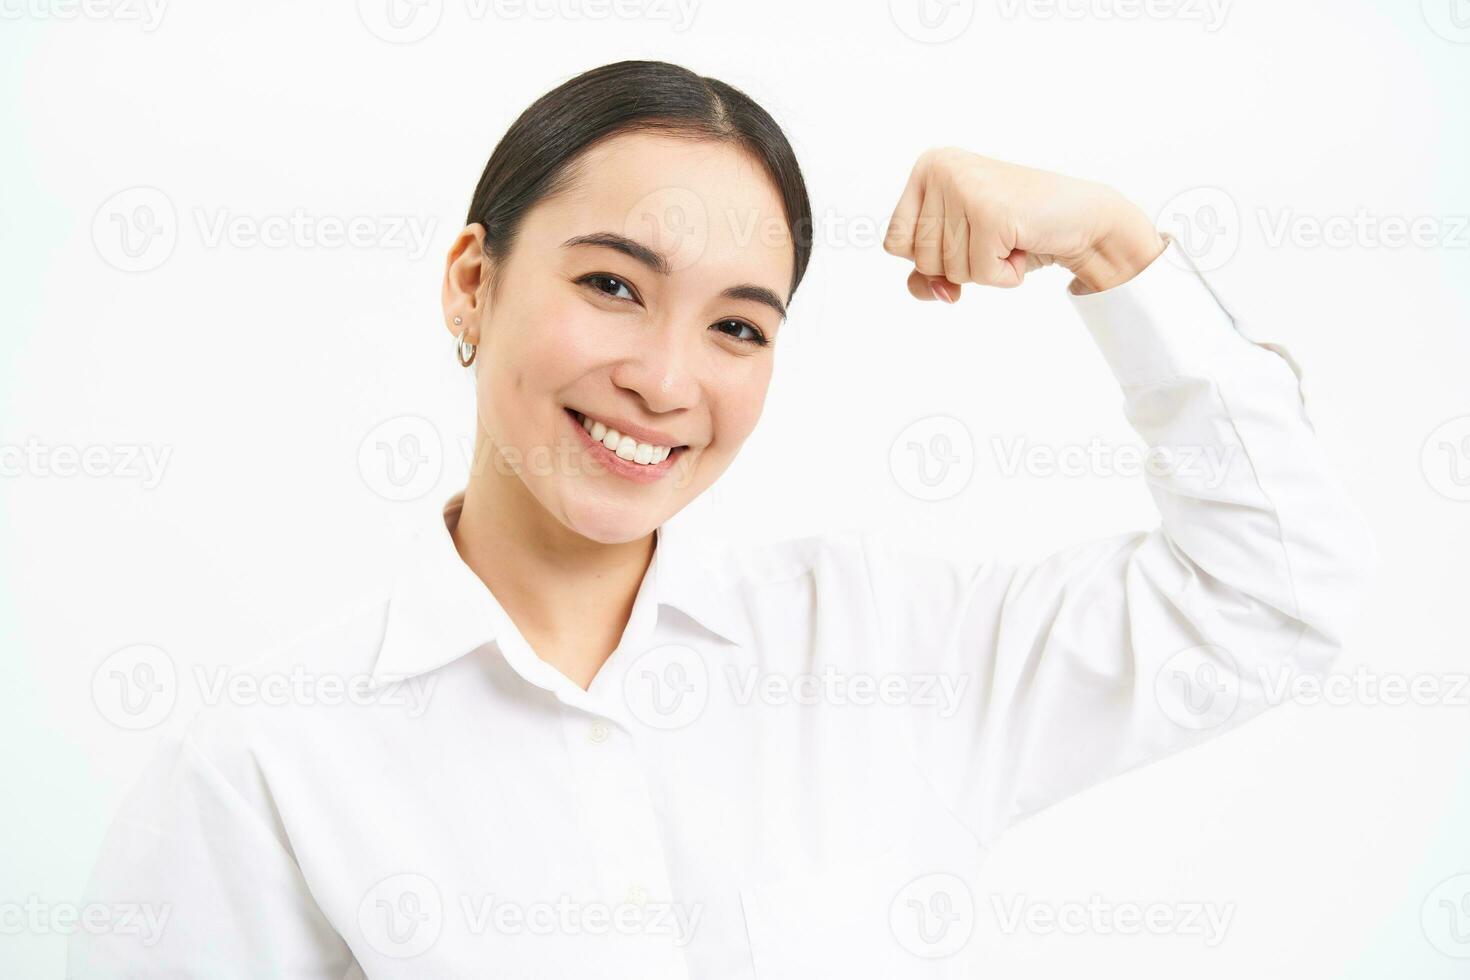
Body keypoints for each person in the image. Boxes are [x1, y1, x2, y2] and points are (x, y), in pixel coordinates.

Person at [69, 59, 1375, 978]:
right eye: (611, 285)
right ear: (473, 283)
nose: (667, 377)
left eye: (737, 324)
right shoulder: (270, 767)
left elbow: (1267, 604)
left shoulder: (876, 649)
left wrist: (1112, 248)